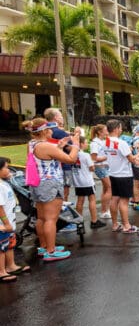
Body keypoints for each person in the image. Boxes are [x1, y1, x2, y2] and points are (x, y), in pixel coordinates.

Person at [24, 118, 80, 261]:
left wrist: (59, 147)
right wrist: (76, 144)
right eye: (50, 129)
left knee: (41, 218)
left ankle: (44, 247)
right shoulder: (45, 146)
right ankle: (51, 250)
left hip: (38, 183)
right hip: (50, 183)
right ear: (44, 131)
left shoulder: (32, 144)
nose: (52, 131)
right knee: (51, 219)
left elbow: (47, 158)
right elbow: (71, 159)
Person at [103, 119, 139, 234]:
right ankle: (127, 225)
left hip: (113, 173)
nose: (121, 130)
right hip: (124, 174)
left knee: (115, 198)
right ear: (116, 129)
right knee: (124, 201)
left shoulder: (106, 142)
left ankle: (115, 224)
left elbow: (112, 155)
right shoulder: (121, 143)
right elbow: (131, 159)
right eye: (121, 128)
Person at [0, 156, 29, 279]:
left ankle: (11, 265)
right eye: (6, 168)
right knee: (1, 247)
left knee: (9, 244)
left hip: (9, 222)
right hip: (3, 224)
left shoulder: (4, 183)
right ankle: (1, 271)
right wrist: (6, 224)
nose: (9, 171)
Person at [72, 136, 103, 229]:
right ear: (81, 144)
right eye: (85, 142)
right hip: (87, 181)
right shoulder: (85, 155)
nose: (87, 144)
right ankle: (94, 221)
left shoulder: (73, 154)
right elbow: (91, 167)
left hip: (78, 181)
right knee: (92, 199)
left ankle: (79, 221)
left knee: (80, 200)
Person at [90, 125, 112, 220]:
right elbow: (94, 158)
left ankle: (105, 210)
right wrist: (107, 157)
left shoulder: (103, 141)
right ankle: (104, 211)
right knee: (110, 188)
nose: (107, 131)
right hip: (100, 167)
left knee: (105, 188)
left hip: (105, 166)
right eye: (106, 130)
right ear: (99, 132)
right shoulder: (95, 143)